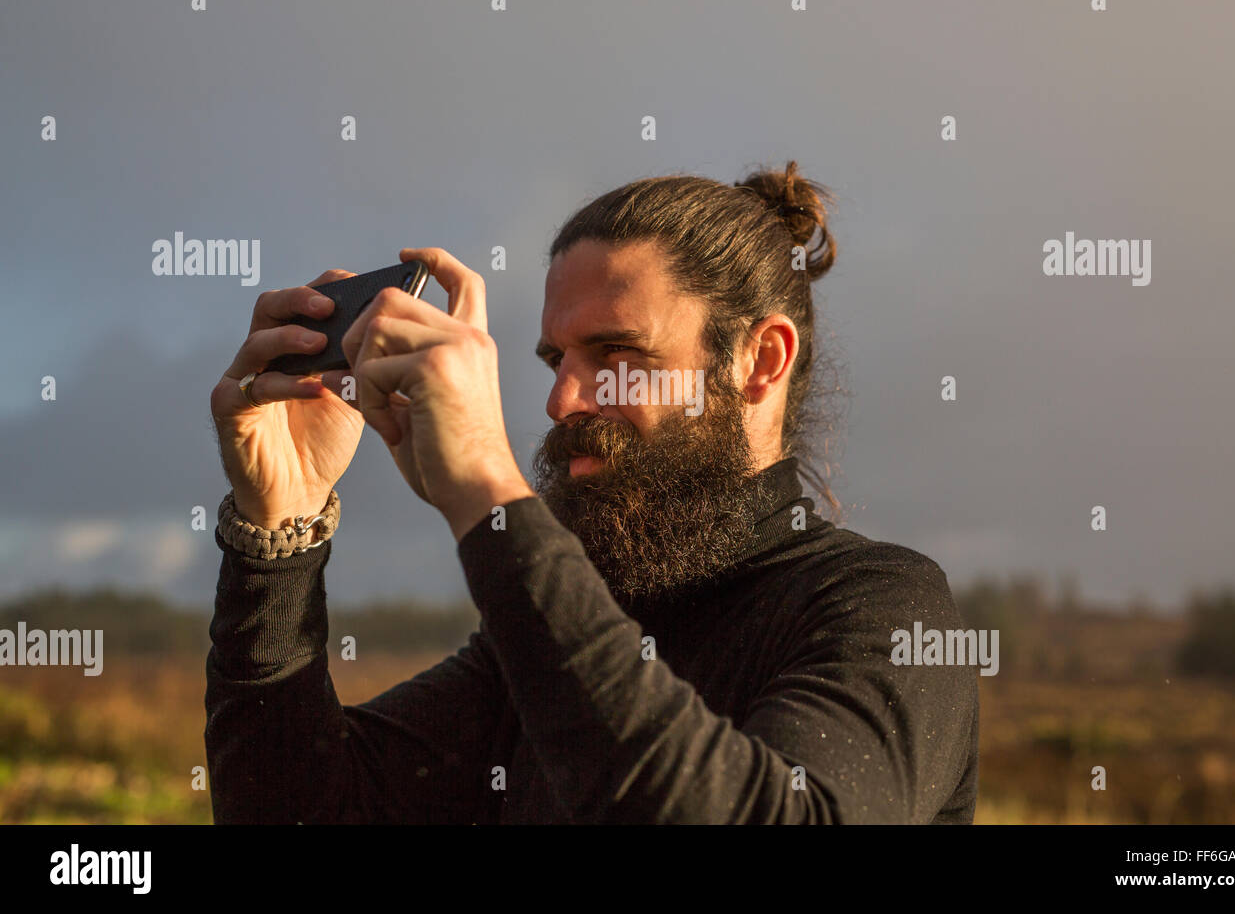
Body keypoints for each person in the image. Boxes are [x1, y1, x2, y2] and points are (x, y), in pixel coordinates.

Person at [204, 160, 979, 823]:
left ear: (760, 361)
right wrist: (281, 533)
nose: (562, 401)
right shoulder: (552, 645)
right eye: (555, 360)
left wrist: (485, 483)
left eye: (616, 354)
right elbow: (303, 809)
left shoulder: (882, 607)